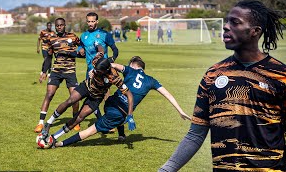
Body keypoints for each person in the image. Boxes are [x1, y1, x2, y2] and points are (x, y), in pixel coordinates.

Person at [159, 0, 286, 171]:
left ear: (255, 31)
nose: (226, 26)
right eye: (227, 21)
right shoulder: (212, 75)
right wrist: (166, 169)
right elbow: (195, 135)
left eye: (235, 22)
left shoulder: (283, 76)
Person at [54, 56, 191, 147]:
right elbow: (168, 95)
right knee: (99, 126)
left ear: (134, 65)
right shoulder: (152, 81)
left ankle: (59, 143)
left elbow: (110, 64)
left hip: (111, 103)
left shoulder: (130, 70)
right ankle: (60, 143)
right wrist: (180, 111)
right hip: (120, 111)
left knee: (95, 124)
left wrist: (94, 71)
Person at [41, 49, 134, 143]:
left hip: (97, 97)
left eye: (98, 71)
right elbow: (100, 50)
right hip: (86, 86)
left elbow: (129, 94)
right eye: (95, 69)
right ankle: (48, 123)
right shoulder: (96, 60)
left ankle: (54, 137)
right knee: (70, 101)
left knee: (79, 117)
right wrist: (99, 47)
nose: (95, 71)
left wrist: (130, 115)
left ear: (106, 70)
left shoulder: (114, 77)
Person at [34, 18, 81, 133]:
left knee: (75, 97)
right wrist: (44, 71)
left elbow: (82, 51)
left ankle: (75, 121)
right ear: (55, 27)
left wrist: (71, 53)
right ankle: (40, 123)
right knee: (49, 94)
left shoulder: (73, 37)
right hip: (56, 71)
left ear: (65, 25)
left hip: (70, 71)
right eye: (57, 26)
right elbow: (48, 57)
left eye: (61, 25)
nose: (59, 27)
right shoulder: (51, 38)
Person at [78, 12, 119, 79]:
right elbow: (81, 46)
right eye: (88, 21)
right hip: (90, 70)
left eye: (93, 21)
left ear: (97, 21)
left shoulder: (105, 34)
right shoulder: (83, 35)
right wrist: (80, 49)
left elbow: (115, 49)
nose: (90, 24)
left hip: (103, 70)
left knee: (103, 89)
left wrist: (112, 59)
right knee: (88, 89)